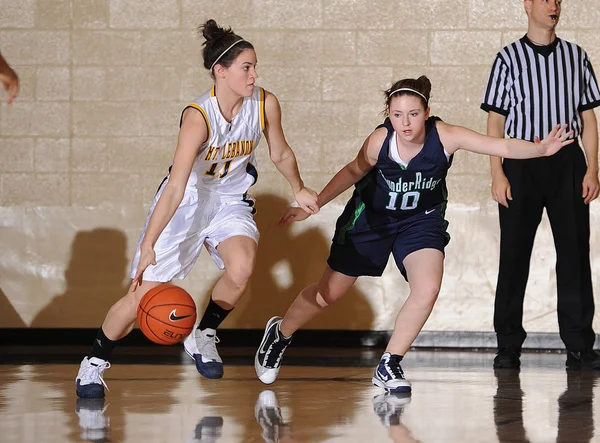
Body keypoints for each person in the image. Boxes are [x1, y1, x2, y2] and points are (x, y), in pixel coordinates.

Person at [254, 75, 573, 393]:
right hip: (372, 221)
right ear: (388, 115)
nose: (405, 123)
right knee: (328, 294)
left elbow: (500, 144)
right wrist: (315, 203)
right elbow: (353, 170)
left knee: (428, 287)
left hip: (421, 221)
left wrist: (540, 149)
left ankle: (389, 362)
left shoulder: (445, 136)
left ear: (427, 112)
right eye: (397, 115)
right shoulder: (380, 142)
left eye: (413, 114)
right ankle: (281, 332)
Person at [75, 19, 319, 398]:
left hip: (229, 198)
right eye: (246, 67)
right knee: (140, 297)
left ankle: (204, 334)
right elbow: (174, 187)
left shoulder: (265, 103)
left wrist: (298, 188)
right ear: (220, 72)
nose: (255, 74)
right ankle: (93, 363)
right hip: (186, 200)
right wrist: (148, 244)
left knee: (242, 268)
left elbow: (281, 152)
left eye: (255, 66)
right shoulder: (197, 117)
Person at [481, 0, 600, 370]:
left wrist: (592, 168)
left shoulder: (576, 56)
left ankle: (580, 345)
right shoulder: (508, 58)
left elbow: (589, 118)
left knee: (575, 256)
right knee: (514, 256)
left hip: (568, 164)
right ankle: (508, 345)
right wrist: (497, 172)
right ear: (528, 6)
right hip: (521, 163)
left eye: (558, 1)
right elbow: (495, 123)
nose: (554, 6)